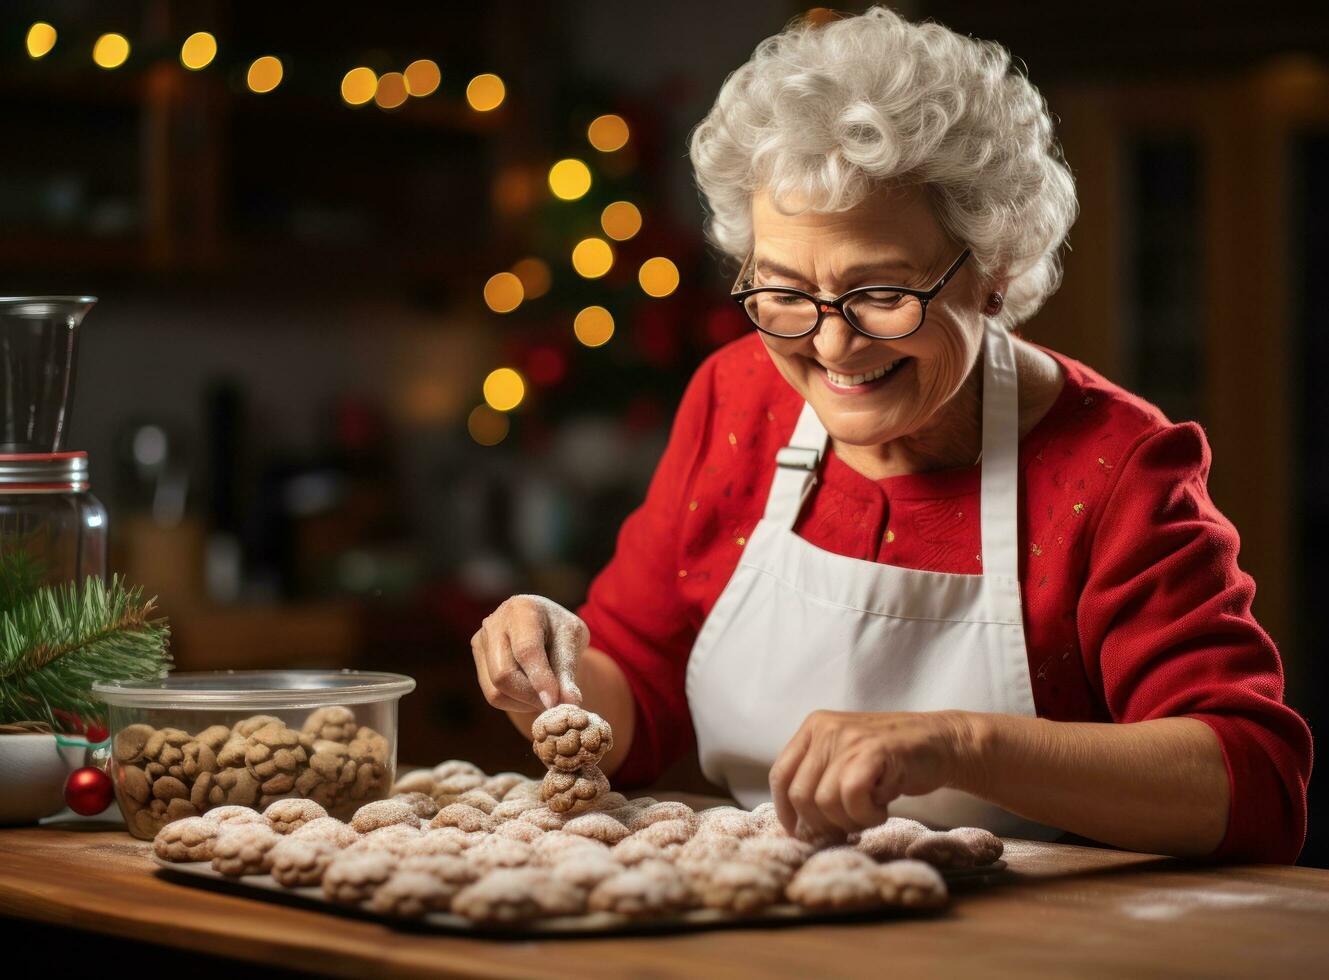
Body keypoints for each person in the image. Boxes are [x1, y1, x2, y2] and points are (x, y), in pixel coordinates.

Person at [470, 6, 1312, 862]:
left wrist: (957, 745)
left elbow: (1249, 780)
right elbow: (636, 700)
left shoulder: (1113, 467)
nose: (832, 344)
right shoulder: (734, 400)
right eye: (785, 289)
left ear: (994, 271)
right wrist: (549, 674)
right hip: (756, 915)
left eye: (880, 293)